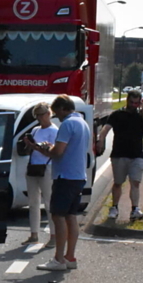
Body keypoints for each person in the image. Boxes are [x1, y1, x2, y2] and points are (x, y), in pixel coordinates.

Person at [26, 95, 90, 272]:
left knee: (58, 216)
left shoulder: (67, 124)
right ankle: (70, 257)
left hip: (65, 176)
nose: (56, 116)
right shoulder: (82, 123)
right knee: (71, 216)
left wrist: (42, 148)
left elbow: (58, 152)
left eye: (56, 112)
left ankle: (59, 258)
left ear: (63, 108)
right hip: (78, 176)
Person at [96, 89, 143, 222]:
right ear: (127, 101)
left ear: (140, 103)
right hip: (119, 154)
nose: (133, 105)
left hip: (137, 155)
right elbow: (106, 129)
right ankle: (114, 208)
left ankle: (135, 209)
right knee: (118, 183)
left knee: (135, 182)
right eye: (131, 102)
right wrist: (100, 140)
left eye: (136, 103)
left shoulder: (140, 117)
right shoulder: (117, 114)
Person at [20, 102, 59, 245]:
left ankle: (54, 236)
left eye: (41, 115)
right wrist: (28, 145)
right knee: (33, 203)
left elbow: (52, 152)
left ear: (49, 114)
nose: (39, 118)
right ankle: (34, 234)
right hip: (33, 167)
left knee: (49, 203)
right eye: (37, 116)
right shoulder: (36, 130)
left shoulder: (54, 131)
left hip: (47, 167)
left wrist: (35, 147)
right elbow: (28, 151)